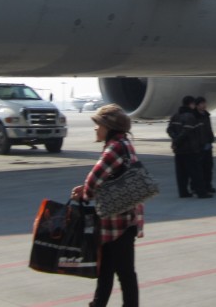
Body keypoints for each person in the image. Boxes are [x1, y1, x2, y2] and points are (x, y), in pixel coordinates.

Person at [71, 105, 143, 307]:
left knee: (123, 272)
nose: (95, 129)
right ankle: (98, 304)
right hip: (125, 219)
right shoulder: (125, 144)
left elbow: (94, 178)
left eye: (98, 125)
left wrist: (84, 193)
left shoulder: (114, 148)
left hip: (117, 222)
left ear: (108, 126)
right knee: (108, 270)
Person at [166, 96, 210, 198]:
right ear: (191, 104)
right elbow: (186, 132)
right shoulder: (190, 116)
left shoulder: (175, 116)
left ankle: (183, 192)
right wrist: (177, 141)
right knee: (196, 173)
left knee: (181, 173)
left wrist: (175, 140)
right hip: (190, 149)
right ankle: (201, 193)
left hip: (179, 150)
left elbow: (169, 129)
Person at [194, 97, 216, 194]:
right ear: (197, 105)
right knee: (199, 169)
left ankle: (208, 185)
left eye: (204, 103)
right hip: (199, 146)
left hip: (207, 144)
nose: (204, 105)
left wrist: (211, 138)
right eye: (202, 104)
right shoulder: (194, 116)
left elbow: (208, 129)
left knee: (208, 167)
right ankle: (198, 187)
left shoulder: (206, 115)